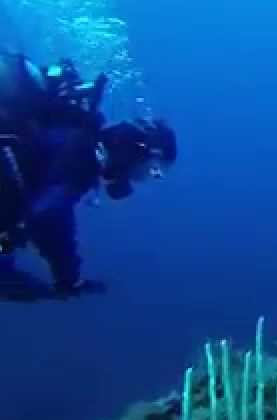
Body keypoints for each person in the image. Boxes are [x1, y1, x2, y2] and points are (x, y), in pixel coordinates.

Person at [0, 51, 177, 300]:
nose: (139, 178)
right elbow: (48, 214)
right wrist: (67, 277)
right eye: (150, 171)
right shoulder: (84, 152)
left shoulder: (75, 138)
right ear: (140, 151)